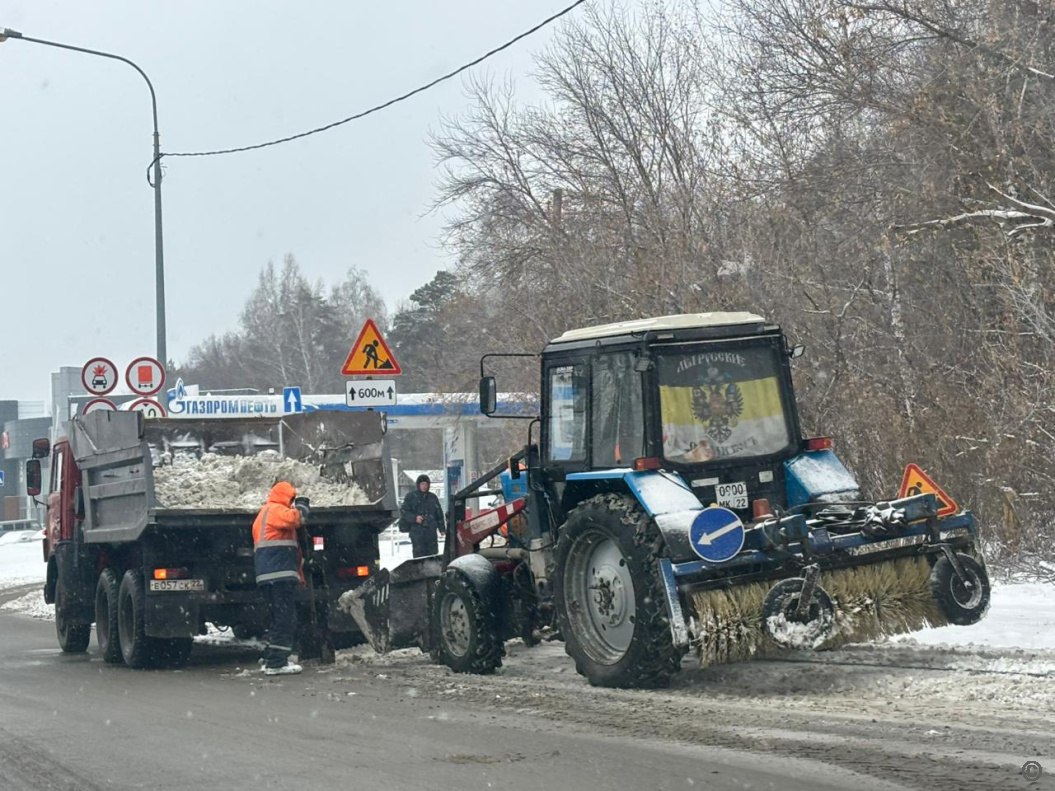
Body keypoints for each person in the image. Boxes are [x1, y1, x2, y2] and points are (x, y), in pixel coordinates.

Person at [252, 481, 310, 675]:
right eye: (291, 498)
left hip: (269, 575)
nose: (292, 502)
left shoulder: (264, 513)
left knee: (277, 618)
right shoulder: (275, 510)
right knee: (286, 618)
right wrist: (302, 506)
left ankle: (270, 657)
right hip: (279, 574)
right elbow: (296, 518)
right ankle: (276, 662)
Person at [399, 474, 445, 557]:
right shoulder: (411, 497)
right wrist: (414, 518)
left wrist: (442, 528)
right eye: (422, 484)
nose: (424, 486)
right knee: (419, 556)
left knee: (432, 555)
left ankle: (431, 565)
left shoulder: (433, 497)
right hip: (417, 531)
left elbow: (439, 514)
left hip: (431, 532)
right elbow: (404, 511)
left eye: (426, 484)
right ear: (418, 485)